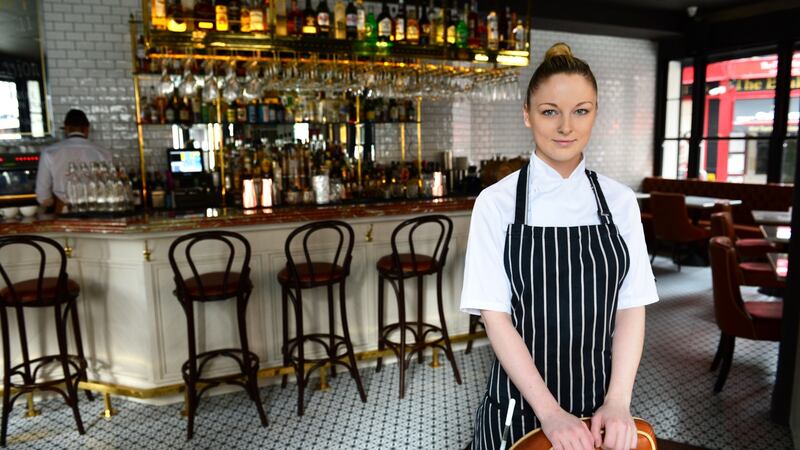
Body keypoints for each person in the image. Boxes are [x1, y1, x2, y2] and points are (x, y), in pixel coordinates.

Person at [461, 43, 659, 450]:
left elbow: (631, 307)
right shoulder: (495, 204)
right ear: (527, 114)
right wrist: (550, 413)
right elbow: (496, 319)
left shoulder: (620, 203)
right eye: (550, 111)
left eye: (580, 110)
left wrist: (619, 401)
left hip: (604, 412)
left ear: (595, 113)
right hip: (521, 409)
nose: (566, 126)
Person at [36, 109, 112, 211]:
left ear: (66, 128)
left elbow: (43, 195)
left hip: (64, 208)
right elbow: (108, 187)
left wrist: (52, 204)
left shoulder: (50, 152)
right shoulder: (103, 153)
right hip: (95, 208)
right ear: (87, 128)